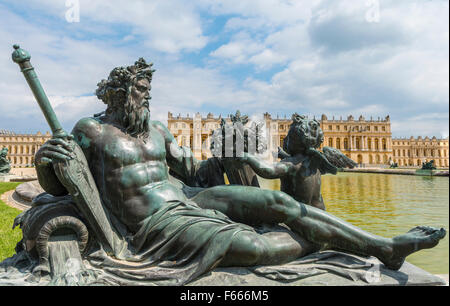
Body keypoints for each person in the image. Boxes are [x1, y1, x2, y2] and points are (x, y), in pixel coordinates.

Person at [35, 58, 445, 282]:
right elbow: (61, 185)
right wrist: (45, 161)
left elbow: (194, 167)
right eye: (142, 91)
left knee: (276, 200)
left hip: (188, 198)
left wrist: (233, 150)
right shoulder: (90, 131)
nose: (147, 97)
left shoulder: (157, 128)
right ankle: (323, 240)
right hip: (155, 225)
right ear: (120, 93)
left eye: (147, 91)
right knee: (251, 248)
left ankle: (384, 247)